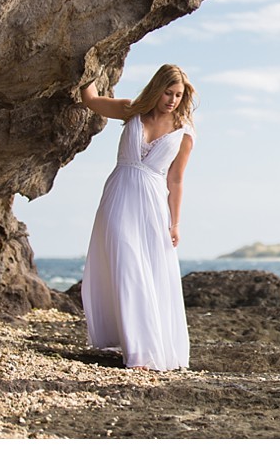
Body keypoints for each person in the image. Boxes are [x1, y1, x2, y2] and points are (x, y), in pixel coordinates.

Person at [79, 63, 197, 371]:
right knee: (124, 262)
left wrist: (175, 223)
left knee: (146, 269)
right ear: (156, 89)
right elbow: (91, 100)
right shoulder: (131, 111)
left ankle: (142, 352)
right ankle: (133, 345)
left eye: (178, 95)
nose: (172, 100)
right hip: (119, 194)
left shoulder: (183, 132)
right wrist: (84, 66)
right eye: (168, 93)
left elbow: (176, 180)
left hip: (153, 203)